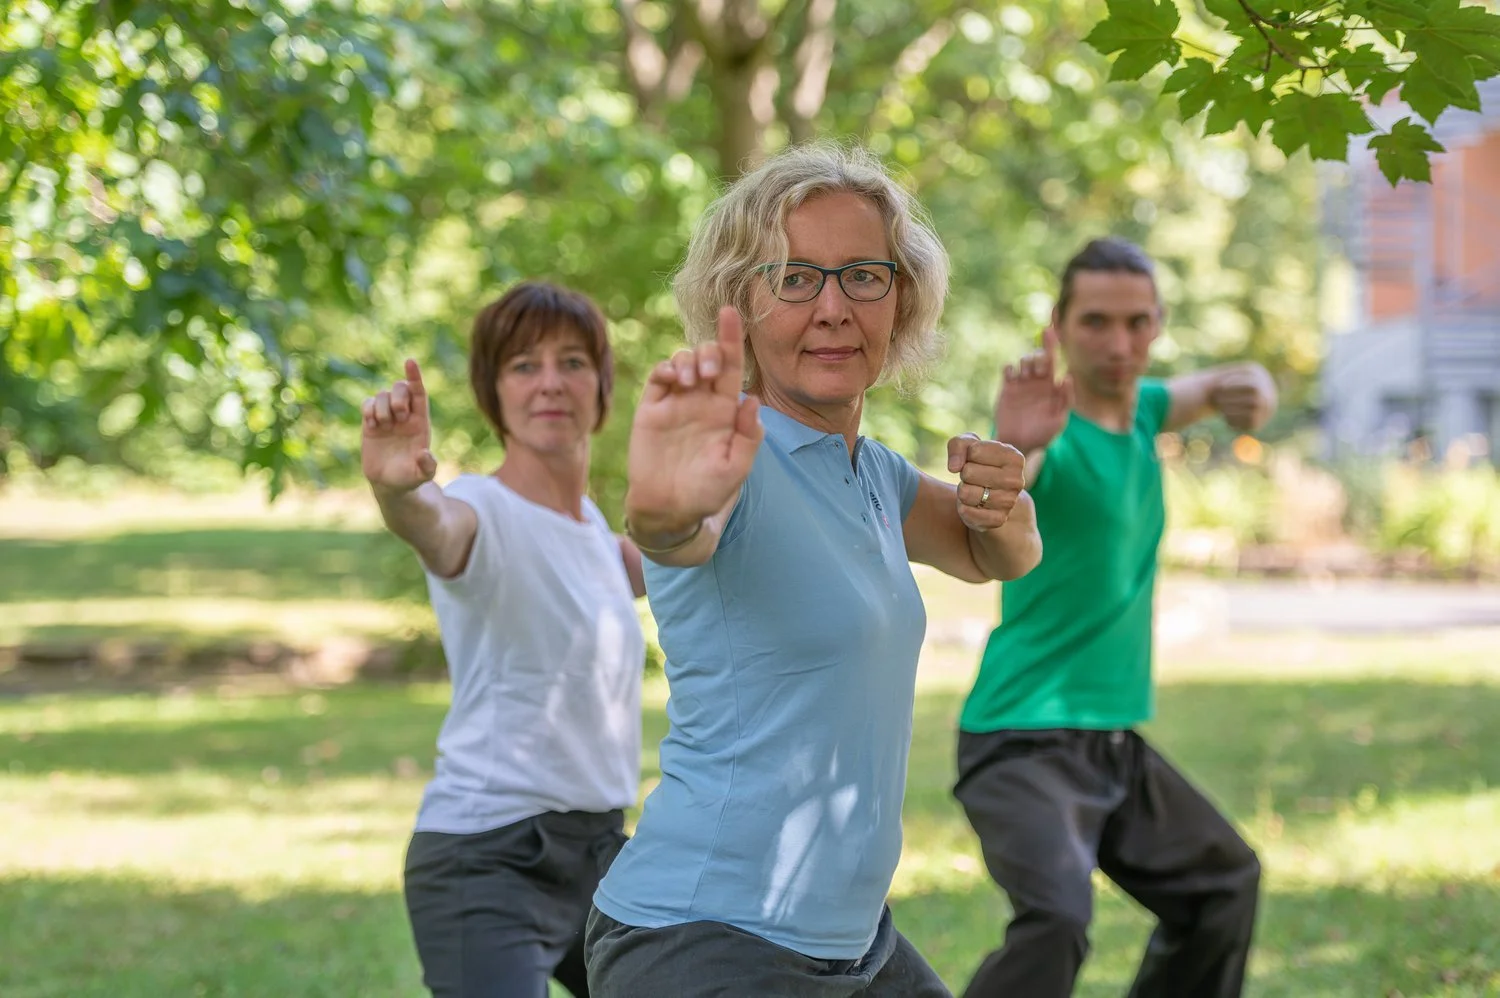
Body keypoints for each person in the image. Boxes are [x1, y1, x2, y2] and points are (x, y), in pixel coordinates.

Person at [583, 143, 1044, 997]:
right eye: (794, 278)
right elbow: (676, 528)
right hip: (704, 941)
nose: (833, 308)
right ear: (741, 304)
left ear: (900, 298)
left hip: (851, 942)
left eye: (863, 275)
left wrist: (1007, 501)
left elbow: (994, 556)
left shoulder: (871, 474)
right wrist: (662, 506)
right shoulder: (736, 461)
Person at [953, 237, 1277, 998]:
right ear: (1060, 324)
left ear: (1159, 324)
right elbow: (996, 501)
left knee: (1223, 885)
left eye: (1137, 323)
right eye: (1096, 321)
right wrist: (1011, 451)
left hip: (1110, 744)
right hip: (1019, 742)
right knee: (1057, 919)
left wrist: (1254, 383)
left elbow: (1229, 384)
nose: (1119, 343)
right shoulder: (1048, 440)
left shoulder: (1145, 414)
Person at [360, 281, 648, 998]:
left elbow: (698, 550)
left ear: (602, 387)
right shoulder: (478, 510)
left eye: (573, 361)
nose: (550, 382)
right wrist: (399, 492)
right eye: (523, 365)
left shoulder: (598, 541)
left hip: (601, 857)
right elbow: (435, 525)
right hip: (486, 857)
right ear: (493, 394)